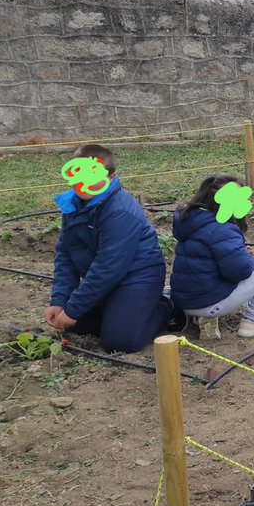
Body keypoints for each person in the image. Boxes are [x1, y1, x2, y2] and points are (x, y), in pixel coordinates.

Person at [46, 144, 176, 352]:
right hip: (105, 279)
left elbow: (109, 266)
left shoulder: (120, 210)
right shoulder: (72, 205)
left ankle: (165, 306)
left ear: (111, 176)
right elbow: (65, 254)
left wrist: (73, 309)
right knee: (77, 326)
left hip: (137, 277)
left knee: (121, 343)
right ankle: (118, 311)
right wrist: (60, 301)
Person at [169, 176, 254, 339]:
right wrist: (248, 258)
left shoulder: (190, 220)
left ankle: (198, 318)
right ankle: (253, 321)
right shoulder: (222, 229)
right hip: (210, 303)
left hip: (183, 303)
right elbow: (240, 271)